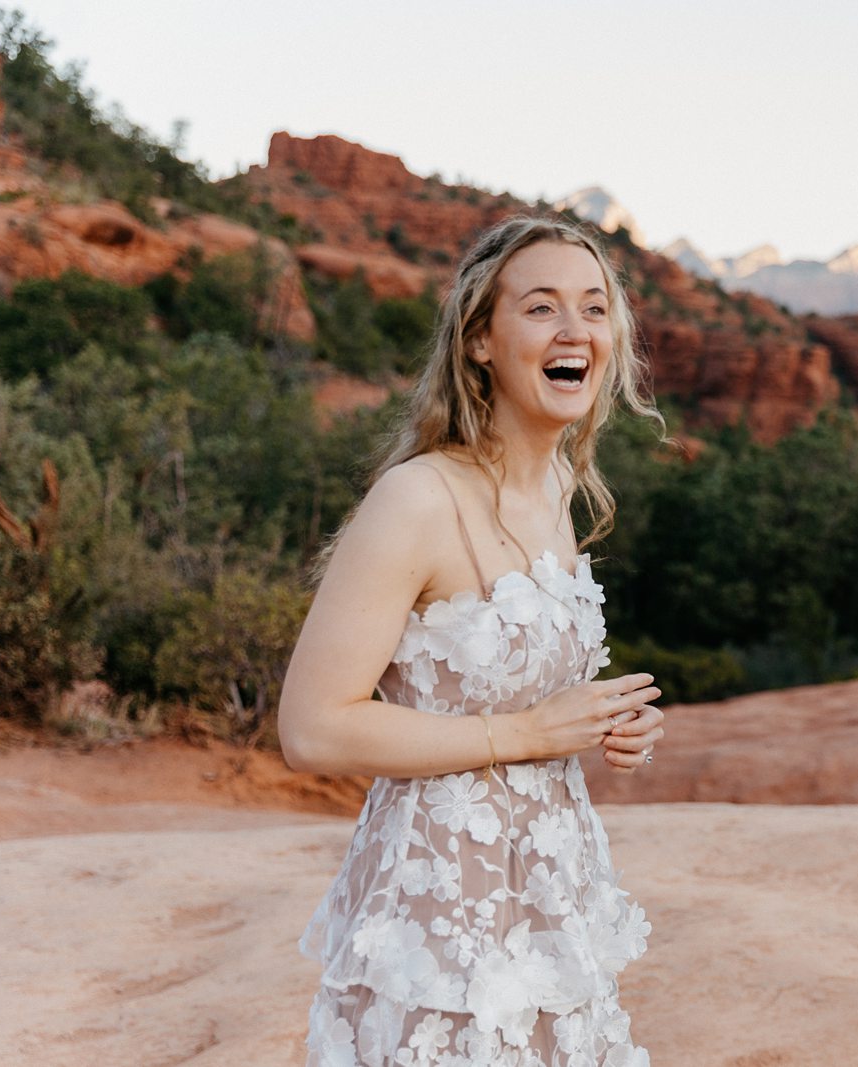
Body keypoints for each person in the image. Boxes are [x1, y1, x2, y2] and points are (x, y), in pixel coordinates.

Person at [279, 215, 664, 1067]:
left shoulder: (561, 484)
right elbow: (312, 728)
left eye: (594, 308)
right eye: (541, 308)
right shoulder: (416, 500)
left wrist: (600, 725)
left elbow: (521, 692)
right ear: (481, 340)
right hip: (438, 907)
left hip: (552, 898)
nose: (575, 332)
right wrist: (523, 734)